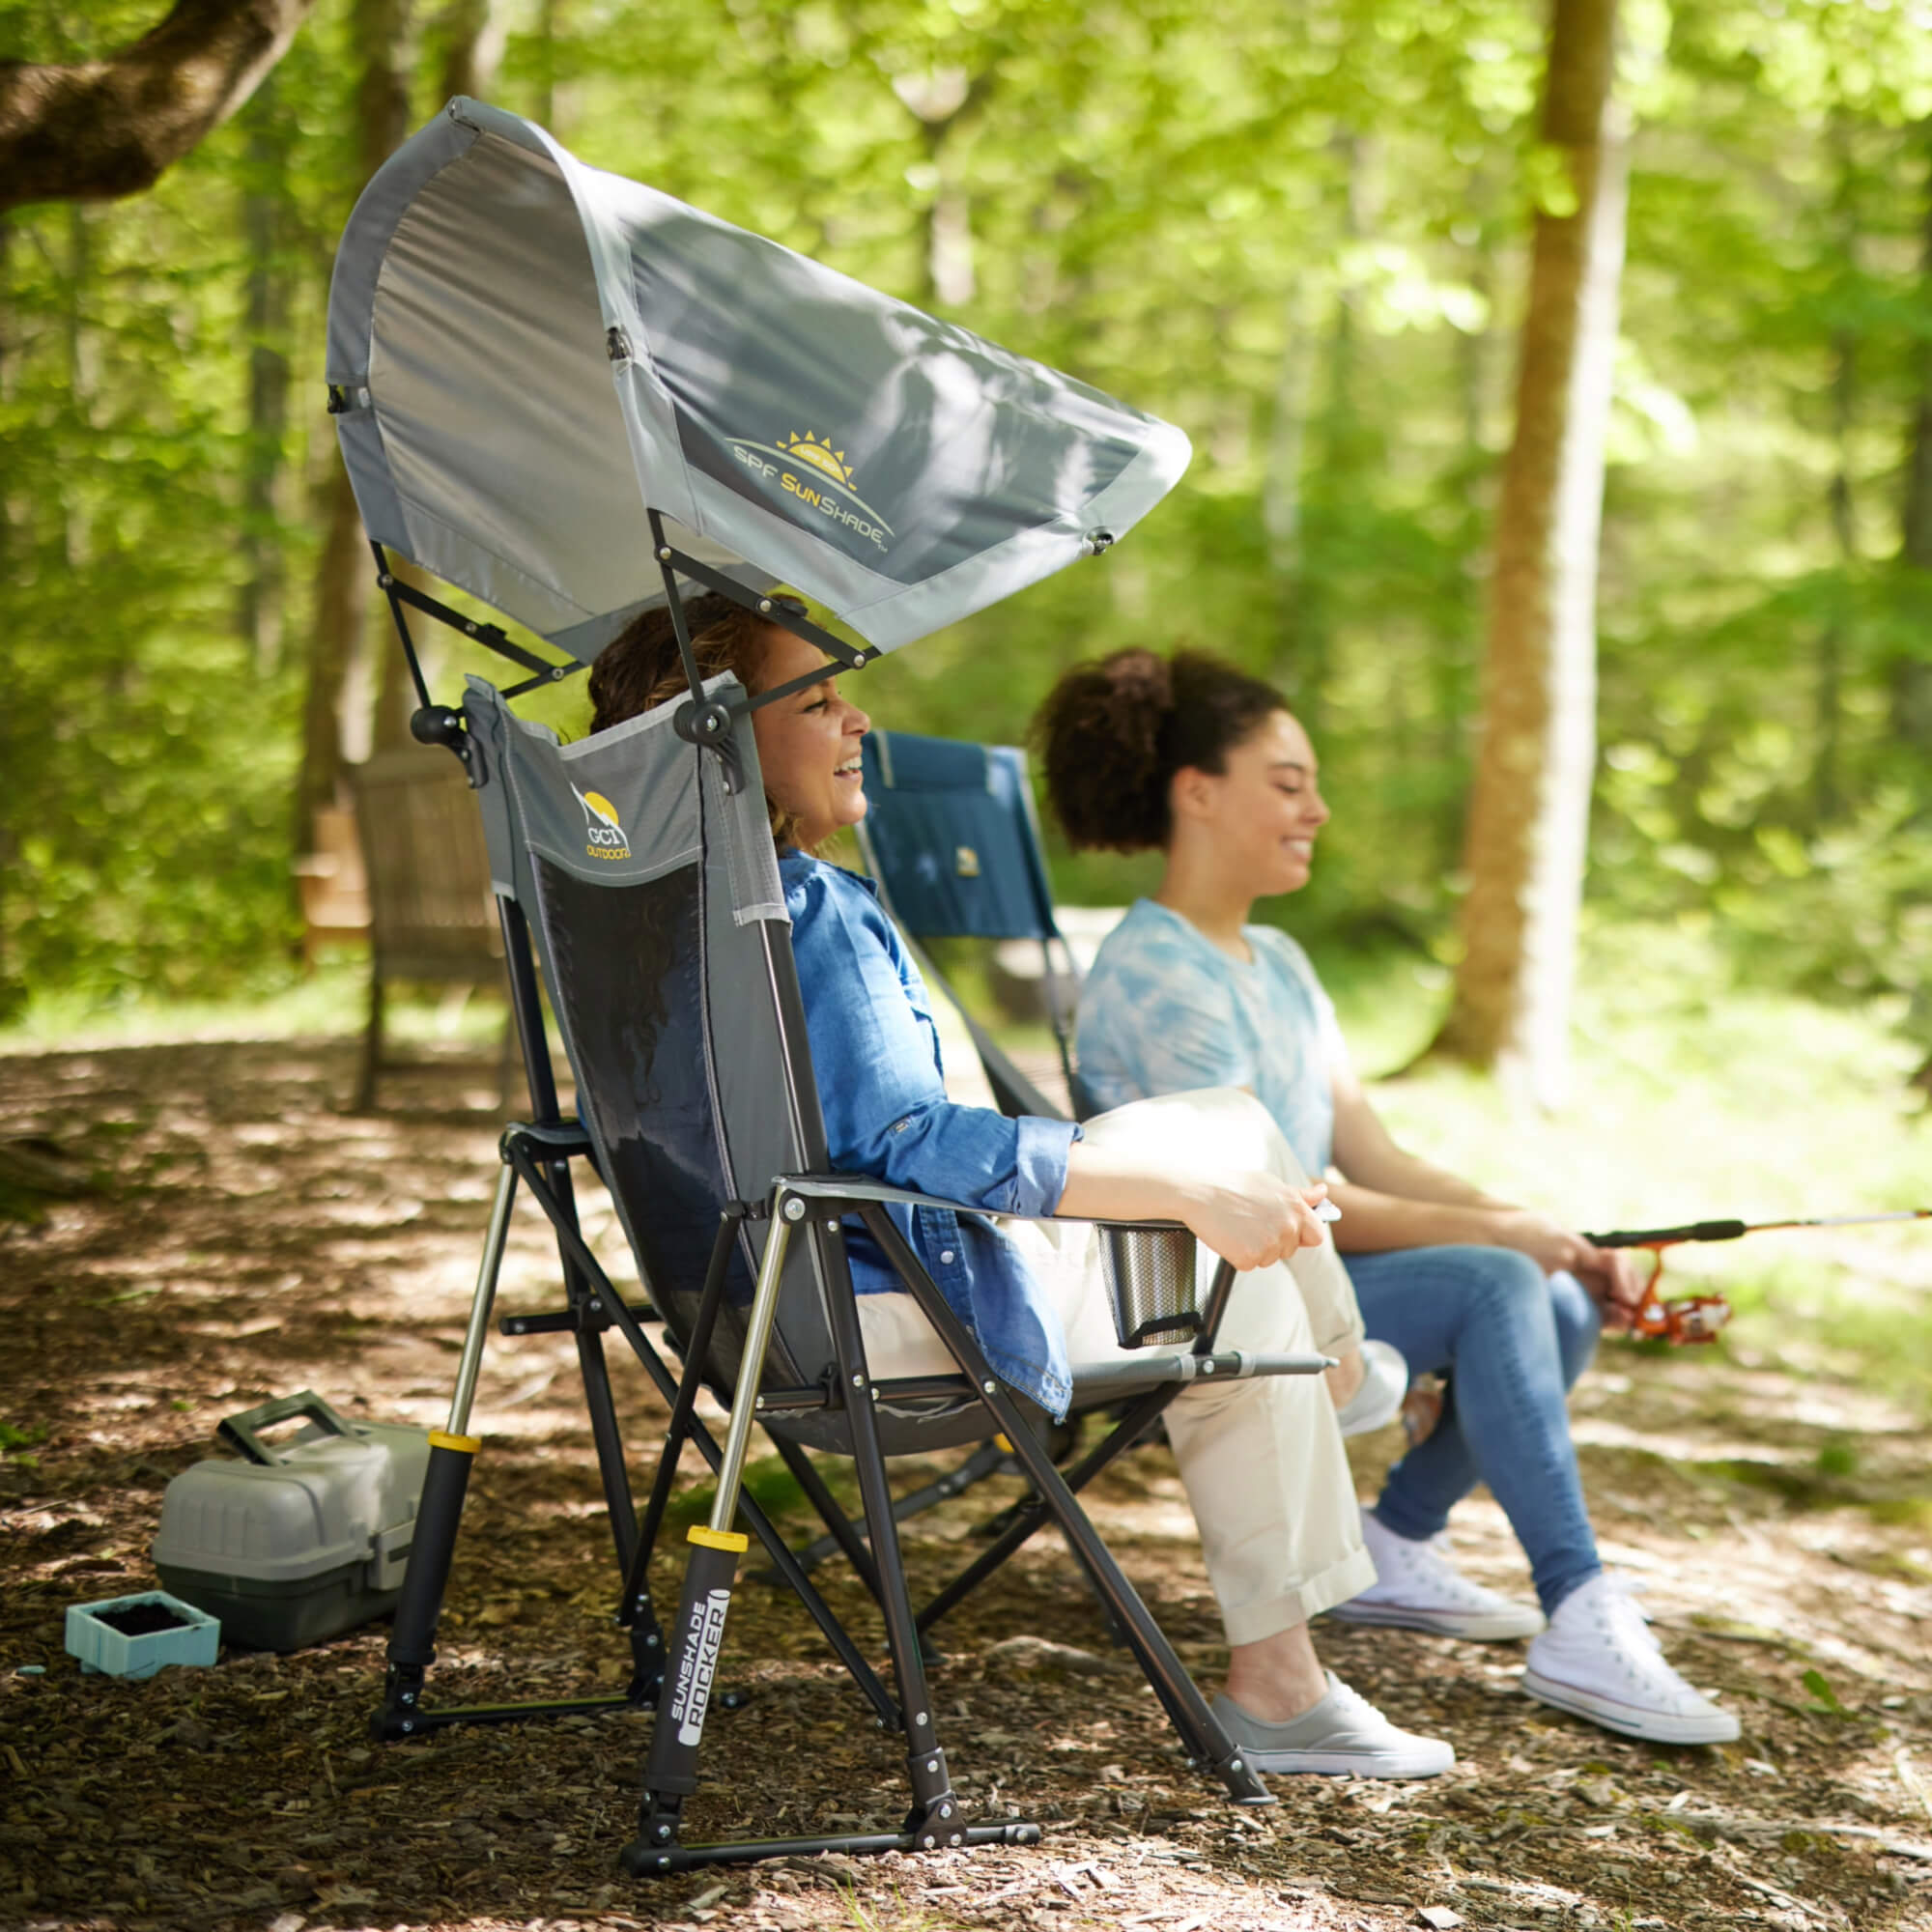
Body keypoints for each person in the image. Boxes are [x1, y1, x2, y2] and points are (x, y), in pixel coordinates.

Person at [586, 596, 1455, 1779]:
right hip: (887, 1307)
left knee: (1230, 1124)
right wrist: (1178, 1197)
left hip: (742, 1313)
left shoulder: (643, 922)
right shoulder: (806, 910)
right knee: (1235, 1294)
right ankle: (1283, 1677)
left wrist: (1168, 1170)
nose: (858, 717)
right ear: (721, 736)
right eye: (821, 697)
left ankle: (1338, 1368)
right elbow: (909, 1138)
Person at [1033, 646, 1740, 1748]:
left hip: (1315, 1259)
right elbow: (1277, 1197)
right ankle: (1578, 1608)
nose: (1316, 806)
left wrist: (1551, 1232)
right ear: (1197, 791)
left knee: (1545, 1294)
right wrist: (1509, 1236)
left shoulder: (1277, 959)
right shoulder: (1155, 971)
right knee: (1503, 1276)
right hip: (1224, 1282)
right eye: (1287, 781)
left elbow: (1375, 1155)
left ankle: (1401, 1538)